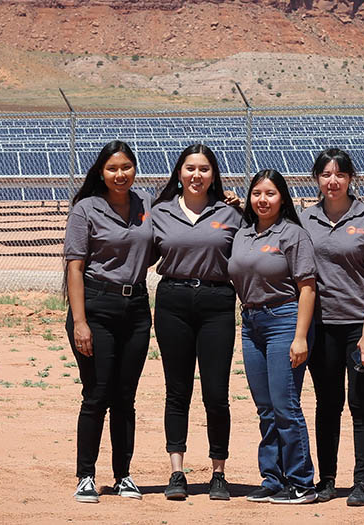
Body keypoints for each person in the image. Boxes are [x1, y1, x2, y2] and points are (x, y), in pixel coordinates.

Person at [151, 144, 243, 501]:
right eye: (190, 168)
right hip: (172, 301)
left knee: (216, 393)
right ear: (179, 173)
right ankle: (177, 471)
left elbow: (268, 233)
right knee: (177, 391)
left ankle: (218, 472)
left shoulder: (231, 213)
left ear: (214, 175)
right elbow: (134, 248)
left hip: (217, 302)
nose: (196, 175)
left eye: (204, 169)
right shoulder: (160, 212)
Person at [63, 140, 153, 503]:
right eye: (113, 168)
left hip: (137, 309)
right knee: (97, 394)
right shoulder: (86, 209)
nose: (120, 174)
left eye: (126, 167)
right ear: (101, 172)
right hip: (96, 306)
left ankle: (123, 475)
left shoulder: (146, 203)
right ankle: (86, 475)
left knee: (125, 398)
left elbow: (180, 226)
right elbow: (75, 266)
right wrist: (80, 322)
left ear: (135, 169)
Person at [299, 148, 364, 507]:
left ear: (350, 178)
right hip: (323, 327)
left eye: (339, 174)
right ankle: (327, 479)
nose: (332, 181)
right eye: (325, 174)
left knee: (362, 403)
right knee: (327, 403)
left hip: (362, 328)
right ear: (317, 179)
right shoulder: (306, 219)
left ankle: (362, 482)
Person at [227, 169, 318, 504]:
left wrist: (300, 337)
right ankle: (272, 478)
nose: (262, 200)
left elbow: (307, 288)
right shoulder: (243, 233)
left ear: (283, 198)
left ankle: (301, 482)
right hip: (251, 322)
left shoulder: (292, 234)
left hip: (284, 319)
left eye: (270, 194)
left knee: (285, 404)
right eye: (257, 194)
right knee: (265, 407)